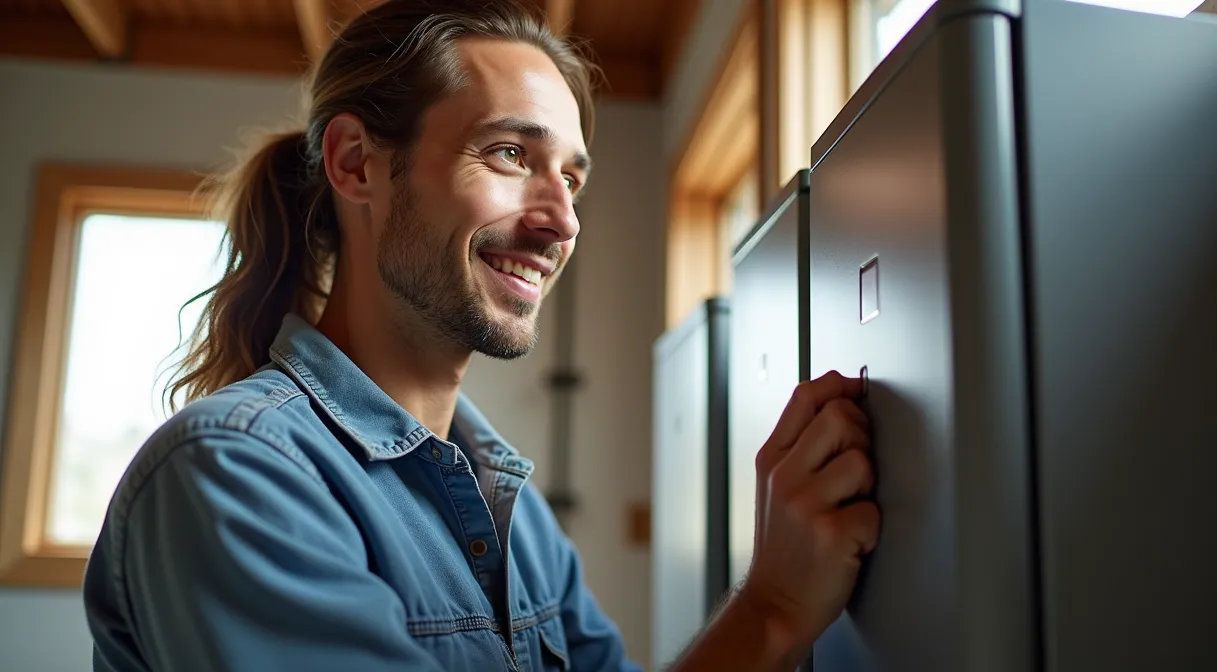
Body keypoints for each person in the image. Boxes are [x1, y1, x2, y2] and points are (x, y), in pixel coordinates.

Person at [81, 1, 881, 670]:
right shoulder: (237, 472)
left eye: (571, 177)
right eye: (508, 153)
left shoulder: (512, 512)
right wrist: (772, 608)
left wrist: (776, 600)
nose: (563, 220)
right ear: (356, 162)